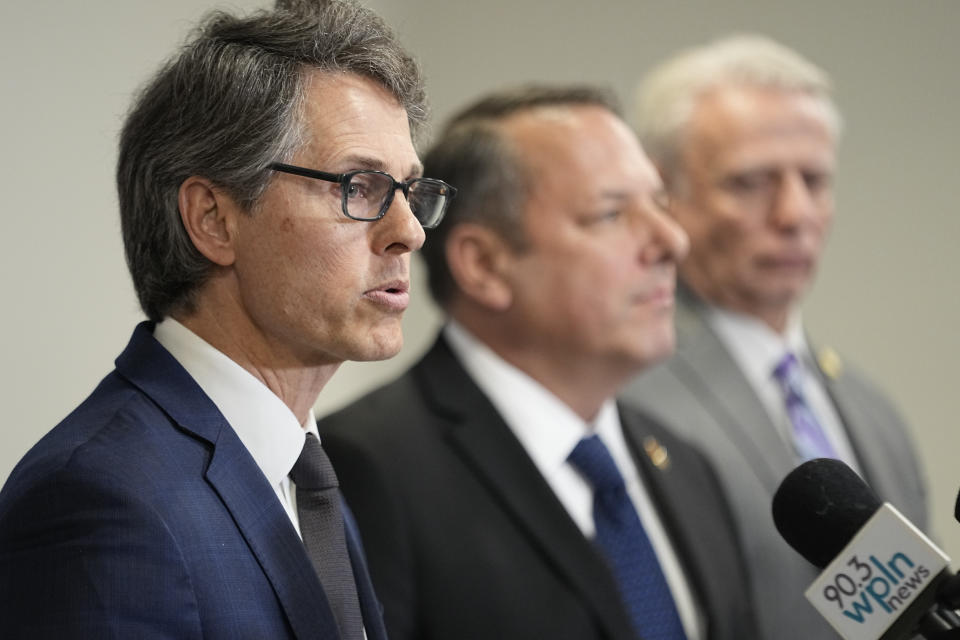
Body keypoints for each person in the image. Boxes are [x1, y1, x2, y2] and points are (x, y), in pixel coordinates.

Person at [0, 1, 456, 638]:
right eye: (359, 186)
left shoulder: (306, 473)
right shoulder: (100, 498)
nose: (408, 232)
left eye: (410, 191)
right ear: (213, 219)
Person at [318, 86, 758, 640]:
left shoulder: (688, 467)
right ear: (484, 265)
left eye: (661, 205)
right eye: (612, 213)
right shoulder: (365, 468)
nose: (671, 240)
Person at [619, 35, 928, 640]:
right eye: (752, 182)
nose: (794, 214)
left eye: (814, 180)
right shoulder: (625, 397)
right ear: (662, 193)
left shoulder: (874, 411)